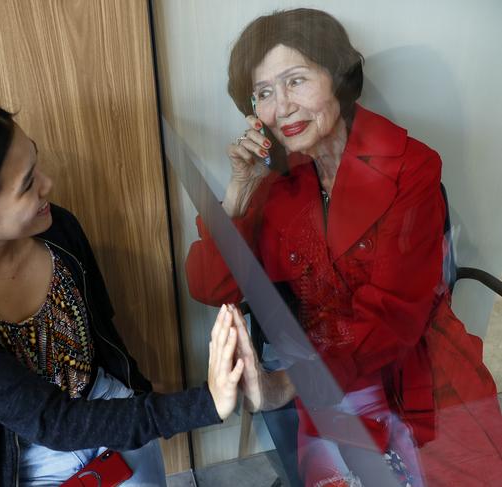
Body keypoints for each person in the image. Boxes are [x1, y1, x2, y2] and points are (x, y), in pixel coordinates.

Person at [185, 8, 502, 487]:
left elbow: (391, 318)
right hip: (333, 384)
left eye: (295, 81)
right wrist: (236, 195)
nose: (282, 107)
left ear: (337, 77)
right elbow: (211, 285)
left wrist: (286, 385)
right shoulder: (276, 184)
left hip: (419, 372)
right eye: (265, 92)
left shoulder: (411, 167)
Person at [0, 97, 248, 487]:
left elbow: (103, 330)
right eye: (27, 184)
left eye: (35, 164)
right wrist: (205, 404)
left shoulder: (57, 230)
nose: (48, 184)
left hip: (109, 405)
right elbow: (52, 422)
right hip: (33, 454)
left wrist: (137, 390)